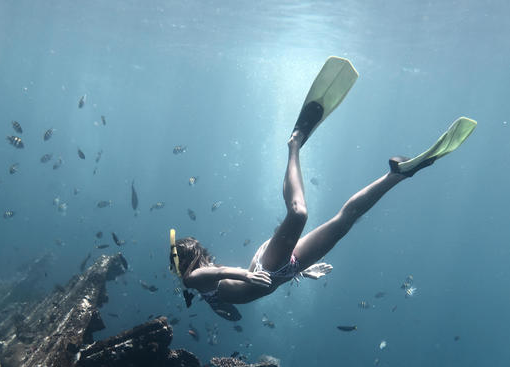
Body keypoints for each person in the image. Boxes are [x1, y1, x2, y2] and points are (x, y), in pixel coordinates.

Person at [169, 57, 476, 321]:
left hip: (268, 266)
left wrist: (246, 276)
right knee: (345, 221)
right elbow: (232, 306)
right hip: (285, 270)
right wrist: (295, 274)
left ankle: (294, 144)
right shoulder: (201, 288)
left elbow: (217, 275)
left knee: (299, 213)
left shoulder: (194, 277)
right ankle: (396, 175)